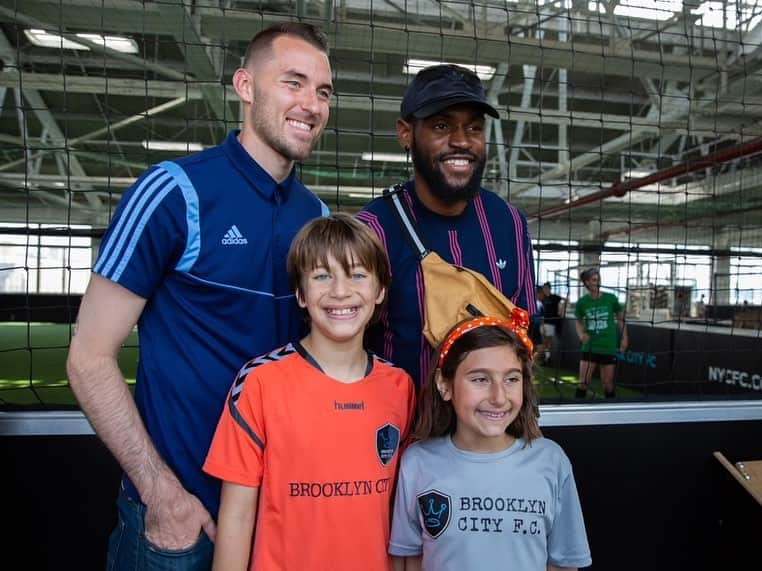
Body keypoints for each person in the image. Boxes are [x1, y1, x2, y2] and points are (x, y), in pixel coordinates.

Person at [65, 23, 333, 569]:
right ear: (245, 86)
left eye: (323, 91)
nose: (311, 103)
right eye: (294, 83)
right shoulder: (174, 191)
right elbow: (88, 358)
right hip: (178, 523)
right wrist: (161, 493)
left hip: (273, 520)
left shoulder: (318, 219)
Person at [203, 214, 415, 570]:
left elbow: (400, 516)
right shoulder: (260, 383)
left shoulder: (400, 388)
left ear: (380, 291)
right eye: (321, 276)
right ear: (300, 294)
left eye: (358, 275)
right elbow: (237, 518)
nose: (340, 291)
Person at [357, 64, 536, 386]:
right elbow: (344, 348)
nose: (461, 141)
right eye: (441, 126)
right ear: (405, 132)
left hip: (490, 430)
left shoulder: (510, 223)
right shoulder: (371, 230)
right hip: (402, 430)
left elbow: (521, 336)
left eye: (474, 128)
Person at [389, 313, 592, 570]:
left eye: (511, 379)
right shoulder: (417, 462)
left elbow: (563, 564)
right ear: (444, 384)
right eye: (480, 379)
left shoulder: (551, 461)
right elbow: (409, 559)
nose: (498, 397)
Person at [574, 268, 628, 399]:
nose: (596, 283)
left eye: (598, 280)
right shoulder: (582, 302)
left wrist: (625, 338)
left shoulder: (611, 298)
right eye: (593, 280)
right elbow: (578, 321)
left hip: (608, 346)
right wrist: (581, 335)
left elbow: (621, 319)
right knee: (583, 383)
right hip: (590, 347)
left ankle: (612, 413)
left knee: (608, 385)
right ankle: (575, 414)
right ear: (586, 282)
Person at [540, 281, 565, 365]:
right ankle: (546, 358)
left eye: (546, 288)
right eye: (543, 288)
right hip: (542, 322)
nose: (545, 290)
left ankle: (548, 359)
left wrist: (561, 311)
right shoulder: (542, 299)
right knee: (544, 342)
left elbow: (564, 300)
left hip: (551, 322)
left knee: (548, 341)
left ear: (549, 288)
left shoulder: (554, 297)